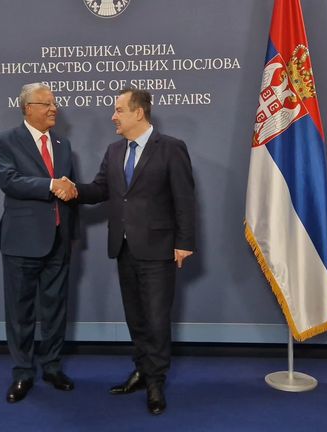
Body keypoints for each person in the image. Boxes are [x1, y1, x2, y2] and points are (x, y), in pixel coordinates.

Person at [68, 88, 196, 415]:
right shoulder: (114, 151)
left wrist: (184, 242)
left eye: (119, 110)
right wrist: (73, 189)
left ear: (139, 112)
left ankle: (155, 382)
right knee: (136, 317)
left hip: (158, 249)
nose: (113, 116)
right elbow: (100, 189)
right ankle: (141, 371)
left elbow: (184, 199)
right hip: (124, 247)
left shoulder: (171, 148)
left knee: (156, 319)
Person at [0, 82, 78, 403]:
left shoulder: (64, 144)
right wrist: (52, 185)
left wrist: (71, 231)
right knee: (20, 311)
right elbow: (9, 181)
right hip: (21, 240)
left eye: (54, 103)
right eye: (47, 104)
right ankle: (23, 372)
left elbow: (69, 191)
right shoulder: (5, 141)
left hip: (58, 239)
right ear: (28, 108)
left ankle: (52, 367)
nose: (54, 109)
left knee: (55, 308)